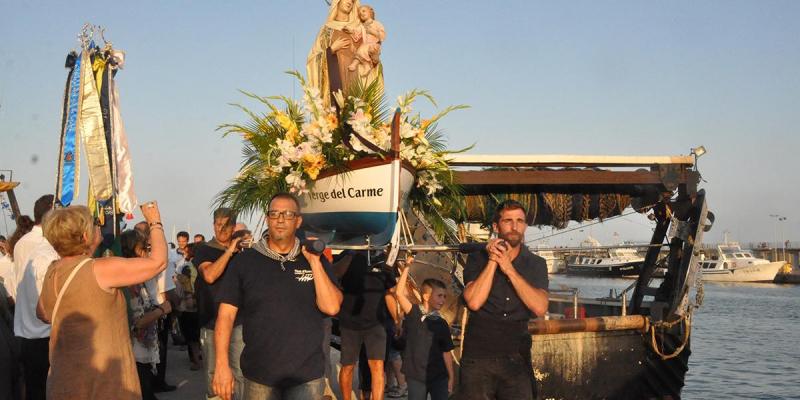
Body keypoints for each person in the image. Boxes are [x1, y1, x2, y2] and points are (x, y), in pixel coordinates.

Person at [212, 193, 343, 400]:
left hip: (306, 376)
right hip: (259, 376)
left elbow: (332, 307)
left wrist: (315, 263)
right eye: (274, 214)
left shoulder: (314, 259)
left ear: (298, 220)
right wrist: (221, 365)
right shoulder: (245, 262)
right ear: (267, 219)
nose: (280, 219)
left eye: (288, 214)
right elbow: (226, 316)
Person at [37, 202, 168, 399]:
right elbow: (158, 263)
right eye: (94, 224)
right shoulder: (100, 269)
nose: (99, 227)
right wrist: (155, 222)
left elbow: (43, 314)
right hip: (104, 383)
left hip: (64, 379)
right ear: (84, 236)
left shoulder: (53, 271)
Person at [458, 200, 549, 400]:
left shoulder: (536, 264)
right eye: (508, 221)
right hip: (478, 357)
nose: (514, 226)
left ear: (525, 225)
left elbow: (540, 307)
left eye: (519, 221)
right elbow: (473, 301)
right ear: (496, 226)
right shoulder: (477, 259)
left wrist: (508, 268)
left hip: (516, 359)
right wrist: (492, 260)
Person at [194, 208, 246, 399]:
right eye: (218, 225)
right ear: (213, 225)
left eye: (226, 225)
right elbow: (209, 275)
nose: (221, 229)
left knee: (240, 373)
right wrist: (230, 251)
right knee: (213, 373)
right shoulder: (204, 249)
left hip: (240, 322)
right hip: (211, 321)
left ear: (233, 227)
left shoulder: (244, 253)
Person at [336, 250, 396, 400]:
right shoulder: (347, 254)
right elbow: (335, 275)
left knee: (377, 367)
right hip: (349, 323)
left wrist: (397, 319)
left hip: (376, 324)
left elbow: (389, 292)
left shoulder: (385, 259)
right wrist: (351, 254)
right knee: (348, 367)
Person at [121, 229, 172, 400]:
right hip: (134, 355)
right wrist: (162, 310)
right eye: (143, 249)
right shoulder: (129, 283)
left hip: (141, 353)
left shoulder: (139, 277)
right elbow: (137, 323)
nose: (146, 254)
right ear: (132, 251)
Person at [13, 195, 54, 400]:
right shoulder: (48, 246)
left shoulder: (21, 243)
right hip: (45, 329)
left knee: (33, 389)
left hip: (25, 328)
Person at [395, 264, 454, 400]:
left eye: (444, 296)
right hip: (416, 375)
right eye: (439, 296)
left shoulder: (442, 323)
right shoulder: (413, 312)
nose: (443, 300)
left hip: (439, 376)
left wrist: (451, 378)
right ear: (426, 296)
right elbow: (398, 293)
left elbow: (447, 352)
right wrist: (407, 267)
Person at [135, 221, 177, 393]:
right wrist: (167, 309)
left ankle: (152, 384)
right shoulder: (157, 259)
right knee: (156, 348)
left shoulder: (142, 259)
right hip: (155, 310)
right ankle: (156, 383)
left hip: (153, 309)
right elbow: (166, 289)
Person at [176, 242, 202, 370]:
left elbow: (184, 285)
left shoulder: (188, 267)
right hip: (201, 304)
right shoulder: (203, 266)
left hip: (190, 306)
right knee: (197, 335)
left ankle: (196, 360)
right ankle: (198, 358)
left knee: (192, 336)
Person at [346, 5, 385, 76]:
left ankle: (355, 64)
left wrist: (372, 31)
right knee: (362, 48)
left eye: (364, 11)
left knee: (363, 49)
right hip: (365, 46)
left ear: (370, 12)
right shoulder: (362, 26)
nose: (362, 14)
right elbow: (357, 33)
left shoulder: (376, 24)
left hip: (374, 45)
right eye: (360, 13)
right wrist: (350, 31)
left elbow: (382, 36)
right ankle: (366, 66)